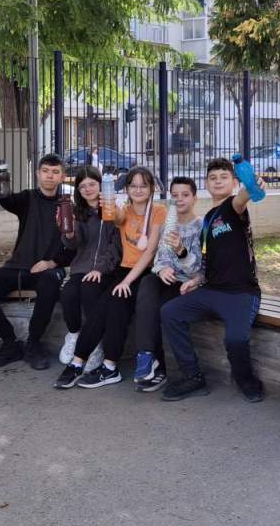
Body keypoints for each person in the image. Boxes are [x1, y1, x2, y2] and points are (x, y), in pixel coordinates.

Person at [159, 158, 267, 402]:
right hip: (212, 290)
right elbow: (208, 261)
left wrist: (252, 184)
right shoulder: (207, 220)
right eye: (213, 178)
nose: (218, 181)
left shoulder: (233, 206)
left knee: (235, 340)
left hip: (241, 292)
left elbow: (244, 197)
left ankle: (246, 381)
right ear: (206, 184)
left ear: (234, 182)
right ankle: (193, 376)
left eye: (224, 177)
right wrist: (197, 279)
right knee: (170, 312)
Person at [55, 167, 166, 389]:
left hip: (146, 272)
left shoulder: (158, 211)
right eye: (133, 185)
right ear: (126, 188)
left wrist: (126, 282)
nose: (138, 190)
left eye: (143, 185)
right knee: (104, 308)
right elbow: (115, 216)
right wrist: (108, 201)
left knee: (115, 307)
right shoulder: (124, 210)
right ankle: (79, 362)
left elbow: (150, 252)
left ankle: (109, 366)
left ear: (152, 188)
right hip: (124, 271)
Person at [0, 154, 72, 370]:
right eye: (45, 171)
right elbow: (7, 199)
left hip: (48, 270)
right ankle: (9, 343)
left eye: (55, 172)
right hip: (17, 266)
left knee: (50, 284)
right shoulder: (28, 198)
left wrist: (52, 263)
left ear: (62, 177)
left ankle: (33, 344)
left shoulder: (67, 205)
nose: (49, 176)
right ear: (37, 174)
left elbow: (73, 248)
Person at [131, 176, 202, 393]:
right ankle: (146, 356)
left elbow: (199, 269)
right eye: (174, 195)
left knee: (158, 307)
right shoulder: (168, 224)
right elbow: (160, 258)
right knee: (148, 284)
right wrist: (162, 269)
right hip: (167, 280)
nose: (179, 199)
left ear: (195, 198)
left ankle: (158, 368)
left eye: (185, 195)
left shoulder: (202, 226)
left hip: (188, 285)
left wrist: (181, 251)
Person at [55, 166, 121, 372]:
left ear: (101, 185)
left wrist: (100, 268)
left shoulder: (114, 210)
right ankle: (74, 335)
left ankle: (96, 343)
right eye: (82, 186)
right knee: (68, 293)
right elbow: (74, 245)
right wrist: (69, 233)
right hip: (82, 267)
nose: (88, 189)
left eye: (92, 184)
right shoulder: (78, 212)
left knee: (90, 291)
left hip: (107, 270)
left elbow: (116, 246)